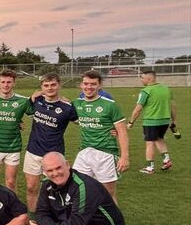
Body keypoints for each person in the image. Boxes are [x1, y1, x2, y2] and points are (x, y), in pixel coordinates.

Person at [23, 72, 78, 212]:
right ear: (42, 87)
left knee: (58, 189)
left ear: (59, 85)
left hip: (54, 154)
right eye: (46, 85)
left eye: (53, 85)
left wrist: (110, 129)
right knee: (31, 188)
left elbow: (85, 123)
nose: (50, 88)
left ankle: (58, 217)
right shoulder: (36, 100)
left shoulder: (68, 107)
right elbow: (18, 110)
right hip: (33, 151)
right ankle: (34, 219)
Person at [72, 70, 129, 201]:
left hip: (106, 153)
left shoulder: (110, 105)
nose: (89, 87)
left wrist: (124, 157)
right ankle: (85, 221)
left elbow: (122, 131)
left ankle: (115, 222)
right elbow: (66, 115)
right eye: (86, 84)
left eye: (93, 84)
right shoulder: (76, 103)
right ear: (81, 85)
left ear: (100, 85)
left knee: (107, 195)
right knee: (78, 190)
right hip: (84, 152)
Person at [0, 69, 32, 191]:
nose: (6, 85)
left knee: (10, 182)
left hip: (13, 147)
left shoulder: (22, 101)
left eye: (9, 82)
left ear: (14, 83)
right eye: (3, 82)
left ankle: (12, 208)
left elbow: (38, 112)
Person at [128, 69, 176, 174]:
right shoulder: (166, 89)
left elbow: (138, 109)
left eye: (142, 78)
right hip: (165, 121)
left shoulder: (146, 91)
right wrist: (174, 120)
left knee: (149, 143)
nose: (141, 80)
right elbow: (172, 106)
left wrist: (131, 122)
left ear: (149, 79)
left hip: (151, 121)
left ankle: (150, 168)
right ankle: (166, 160)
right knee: (159, 139)